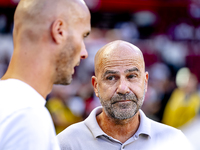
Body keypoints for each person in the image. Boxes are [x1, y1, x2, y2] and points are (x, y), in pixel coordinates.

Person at [57, 40, 193, 150]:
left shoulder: (174, 142)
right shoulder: (65, 144)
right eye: (111, 78)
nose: (123, 88)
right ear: (96, 86)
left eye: (132, 76)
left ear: (145, 83)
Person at [0, 0, 91, 149]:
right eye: (83, 36)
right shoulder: (27, 116)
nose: (84, 53)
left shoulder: (11, 104)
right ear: (59, 31)